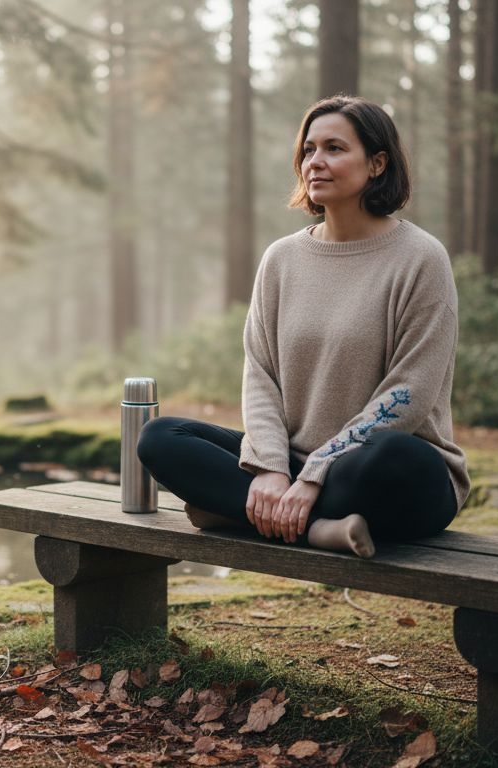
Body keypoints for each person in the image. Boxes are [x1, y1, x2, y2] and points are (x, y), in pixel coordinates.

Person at [136, 95, 469, 558]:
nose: (315, 162)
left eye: (334, 148)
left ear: (377, 163)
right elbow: (261, 375)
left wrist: (315, 475)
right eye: (309, 150)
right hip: (293, 464)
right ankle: (318, 530)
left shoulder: (420, 258)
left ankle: (239, 511)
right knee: (160, 438)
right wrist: (272, 468)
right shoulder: (281, 259)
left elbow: (408, 394)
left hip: (383, 473)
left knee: (393, 455)